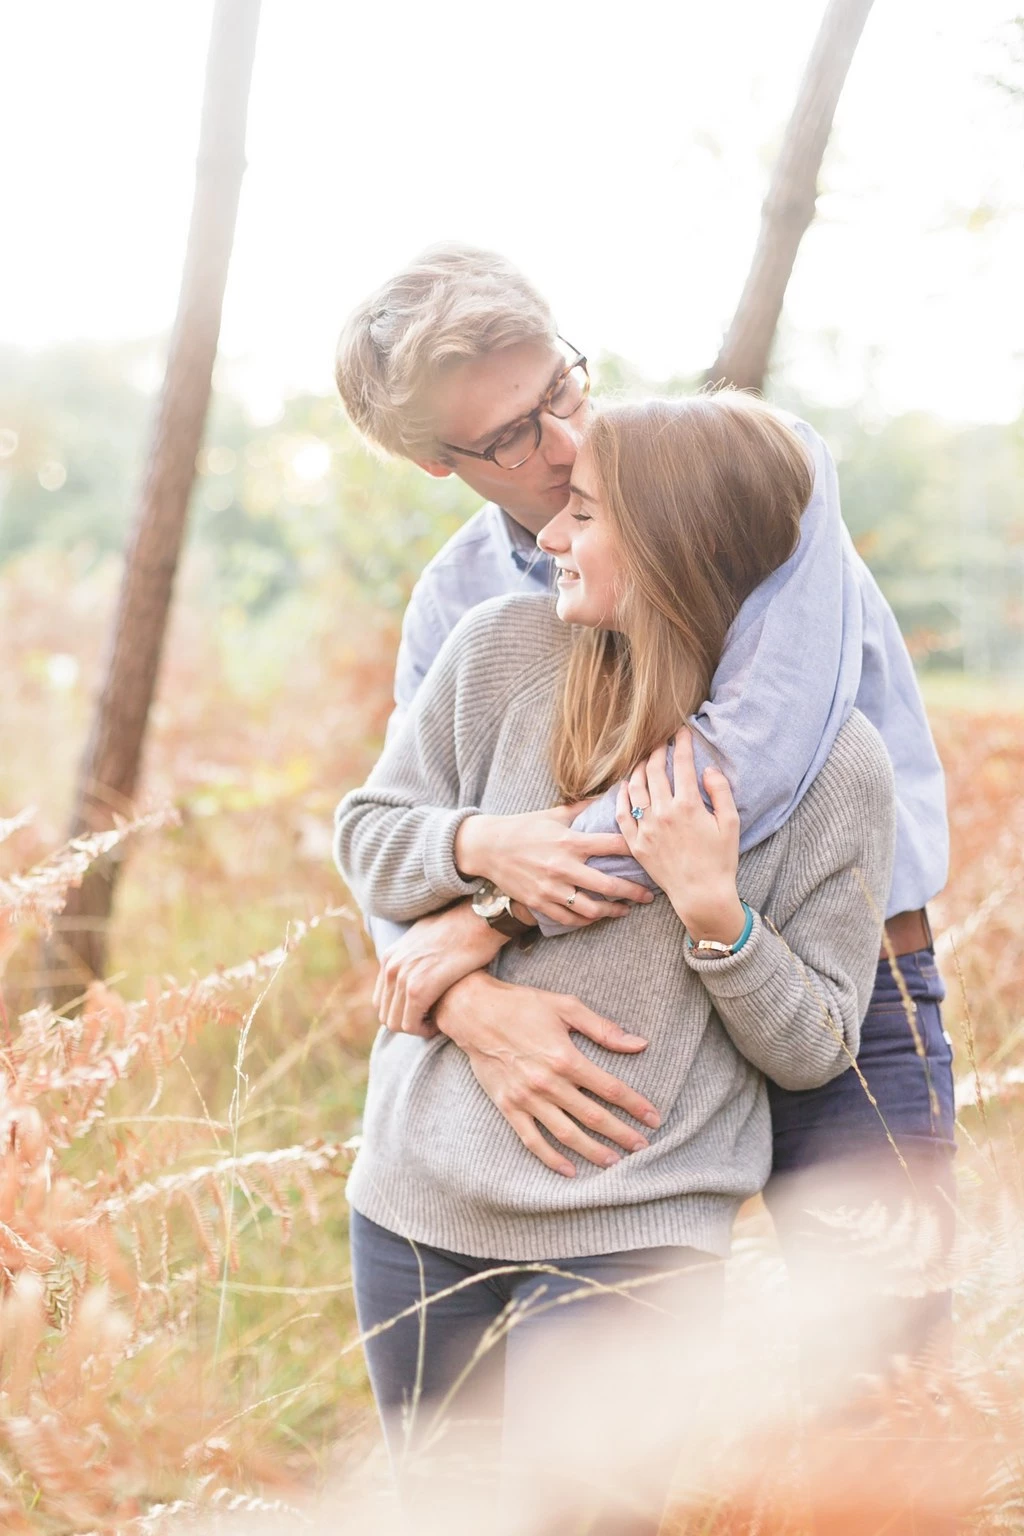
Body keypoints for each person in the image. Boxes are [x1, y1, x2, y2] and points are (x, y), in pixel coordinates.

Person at [332, 244, 956, 1395]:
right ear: (436, 460)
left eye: (561, 389)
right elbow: (396, 848)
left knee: (880, 1388)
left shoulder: (758, 492)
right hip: (614, 1053)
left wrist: (496, 912)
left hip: (838, 988)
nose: (565, 439)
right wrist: (461, 993)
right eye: (514, 436)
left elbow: (742, 763)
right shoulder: (465, 609)